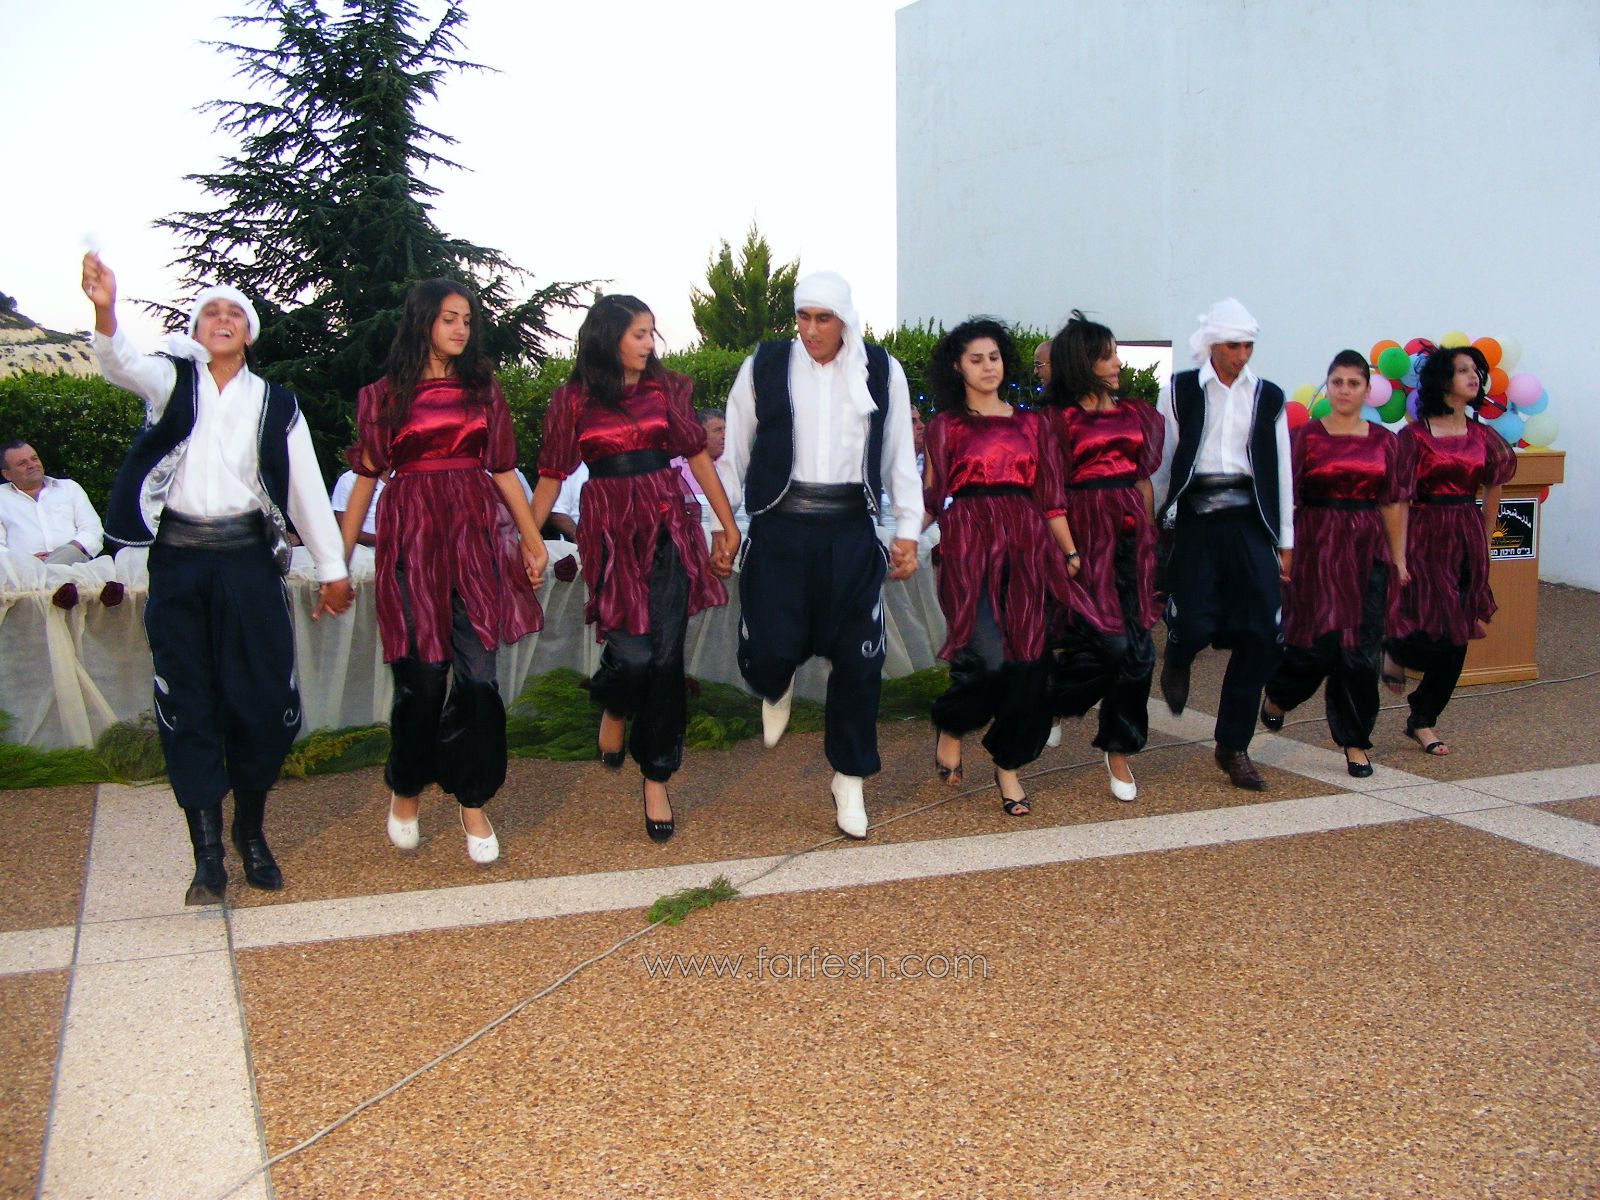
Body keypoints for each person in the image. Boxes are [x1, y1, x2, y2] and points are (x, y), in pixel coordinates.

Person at [82, 253, 353, 905]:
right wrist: (105, 310)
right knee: (188, 700)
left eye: (235, 313)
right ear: (196, 330)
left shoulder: (277, 404)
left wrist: (332, 570)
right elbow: (120, 362)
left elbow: (305, 489)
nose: (223, 319)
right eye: (211, 312)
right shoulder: (170, 383)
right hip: (179, 564)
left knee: (262, 702)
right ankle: (207, 857)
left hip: (248, 564)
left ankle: (250, 832)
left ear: (250, 333)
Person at [341, 278, 546, 866]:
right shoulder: (382, 396)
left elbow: (503, 470)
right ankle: (406, 787)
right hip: (413, 539)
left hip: (475, 539)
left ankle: (472, 800)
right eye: (449, 318)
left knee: (479, 680)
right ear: (422, 321)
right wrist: (336, 562)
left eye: (467, 319)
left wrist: (531, 541)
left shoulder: (483, 390)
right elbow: (366, 480)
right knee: (423, 678)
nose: (461, 328)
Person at [718, 270, 921, 839]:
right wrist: (721, 525)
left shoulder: (882, 369)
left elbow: (898, 455)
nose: (810, 330)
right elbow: (734, 451)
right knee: (769, 652)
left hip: (851, 531)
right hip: (778, 530)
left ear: (844, 319)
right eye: (803, 317)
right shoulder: (764, 365)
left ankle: (849, 778)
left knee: (860, 660)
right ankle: (775, 682)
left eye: (822, 318)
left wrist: (906, 529)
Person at [530, 295, 737, 842]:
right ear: (609, 337)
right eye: (639, 334)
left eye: (651, 333)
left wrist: (726, 524)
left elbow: (696, 456)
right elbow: (551, 475)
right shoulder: (572, 399)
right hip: (610, 533)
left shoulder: (666, 389)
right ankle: (615, 701)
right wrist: (529, 541)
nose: (650, 343)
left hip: (667, 526)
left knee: (665, 659)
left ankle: (656, 776)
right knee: (634, 655)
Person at [923, 318, 1080, 815]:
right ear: (957, 367)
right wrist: (903, 541)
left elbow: (1051, 499)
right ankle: (953, 724)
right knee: (988, 660)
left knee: (1031, 663)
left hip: (1027, 548)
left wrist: (1070, 553)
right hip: (969, 549)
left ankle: (1008, 765)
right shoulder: (945, 426)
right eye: (976, 359)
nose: (988, 366)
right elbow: (931, 497)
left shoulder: (1033, 425)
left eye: (993, 357)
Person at [1152, 298, 1292, 790]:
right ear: (1212, 344)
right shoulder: (1178, 391)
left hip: (1251, 519)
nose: (1242, 354)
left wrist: (1286, 540)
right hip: (1196, 517)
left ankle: (1233, 745)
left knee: (1263, 633)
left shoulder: (1268, 396)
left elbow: (1281, 470)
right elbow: (1163, 462)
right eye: (1233, 345)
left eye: (1248, 345)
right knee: (1195, 621)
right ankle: (1178, 654)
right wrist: (1154, 521)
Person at [1260, 351, 1408, 776]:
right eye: (1337, 382)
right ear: (1327, 386)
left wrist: (1398, 559)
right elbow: (1285, 501)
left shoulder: (1385, 442)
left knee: (1360, 652)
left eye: (1353, 383)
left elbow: (1391, 503)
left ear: (1367, 390)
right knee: (1315, 646)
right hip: (1315, 549)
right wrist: (1283, 553)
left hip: (1366, 551)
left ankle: (1355, 741)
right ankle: (1279, 695)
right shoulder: (1304, 437)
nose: (1344, 390)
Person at [1043, 312, 1165, 801]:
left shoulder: (1137, 414)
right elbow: (1050, 492)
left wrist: (1151, 534)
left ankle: (1119, 749)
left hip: (1132, 540)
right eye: (1108, 355)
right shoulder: (1058, 420)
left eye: (1116, 353)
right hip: (1084, 541)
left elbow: (1142, 480)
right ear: (1083, 363)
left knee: (1140, 653)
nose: (1118, 363)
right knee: (1106, 646)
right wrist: (1067, 550)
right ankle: (1051, 702)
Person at [1381, 343, 1515, 756]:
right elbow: (1399, 499)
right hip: (1424, 535)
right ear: (1442, 380)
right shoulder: (1413, 437)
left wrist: (1485, 542)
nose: (1473, 376)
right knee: (1428, 625)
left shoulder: (1484, 436)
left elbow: (1494, 489)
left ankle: (1422, 719)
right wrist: (1399, 555)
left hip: (1466, 533)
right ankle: (1393, 649)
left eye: (1476, 370)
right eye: (1462, 370)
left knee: (1458, 635)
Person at [0, 440, 104, 563]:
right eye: (22, 463)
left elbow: (93, 530)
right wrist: (27, 561)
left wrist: (63, 554)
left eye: (34, 459)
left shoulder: (69, 488)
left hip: (74, 565)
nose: (32, 465)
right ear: (7, 475)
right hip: (23, 569)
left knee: (70, 552)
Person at [330, 468, 382, 548]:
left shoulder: (399, 479)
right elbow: (343, 528)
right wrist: (384, 541)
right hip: (361, 550)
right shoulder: (349, 479)